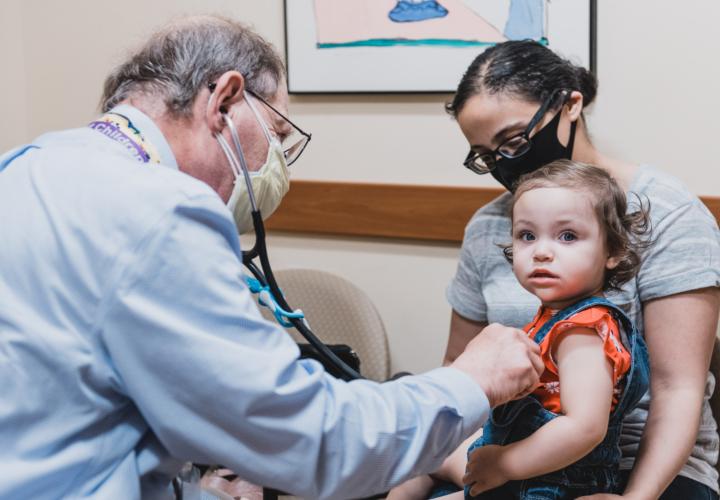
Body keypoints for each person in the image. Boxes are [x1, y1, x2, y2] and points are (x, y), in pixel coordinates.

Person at [0, 15, 545, 500]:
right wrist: (473, 379)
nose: (278, 162)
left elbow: (88, 416)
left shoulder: (28, 165)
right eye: (278, 134)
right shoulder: (159, 209)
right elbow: (319, 445)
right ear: (225, 100)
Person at [442, 40, 720, 499]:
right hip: (511, 447)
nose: (506, 164)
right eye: (487, 156)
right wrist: (470, 461)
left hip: (636, 462)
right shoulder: (491, 224)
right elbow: (458, 364)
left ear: (570, 104)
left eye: (514, 141)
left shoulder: (665, 212)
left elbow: (677, 389)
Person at [389, 160, 652, 499]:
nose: (541, 252)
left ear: (613, 251)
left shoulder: (582, 330)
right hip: (521, 466)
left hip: (549, 482)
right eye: (527, 236)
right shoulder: (553, 318)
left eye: (568, 236)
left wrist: (504, 464)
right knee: (424, 452)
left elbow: (585, 427)